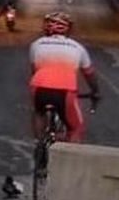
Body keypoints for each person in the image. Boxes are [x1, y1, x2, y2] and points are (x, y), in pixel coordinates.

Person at [29, 11, 99, 142]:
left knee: (38, 112)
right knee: (76, 128)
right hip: (66, 91)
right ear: (68, 29)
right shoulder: (78, 48)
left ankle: (38, 143)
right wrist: (95, 91)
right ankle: (69, 153)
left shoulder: (36, 44)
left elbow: (34, 69)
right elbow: (90, 74)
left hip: (38, 87)